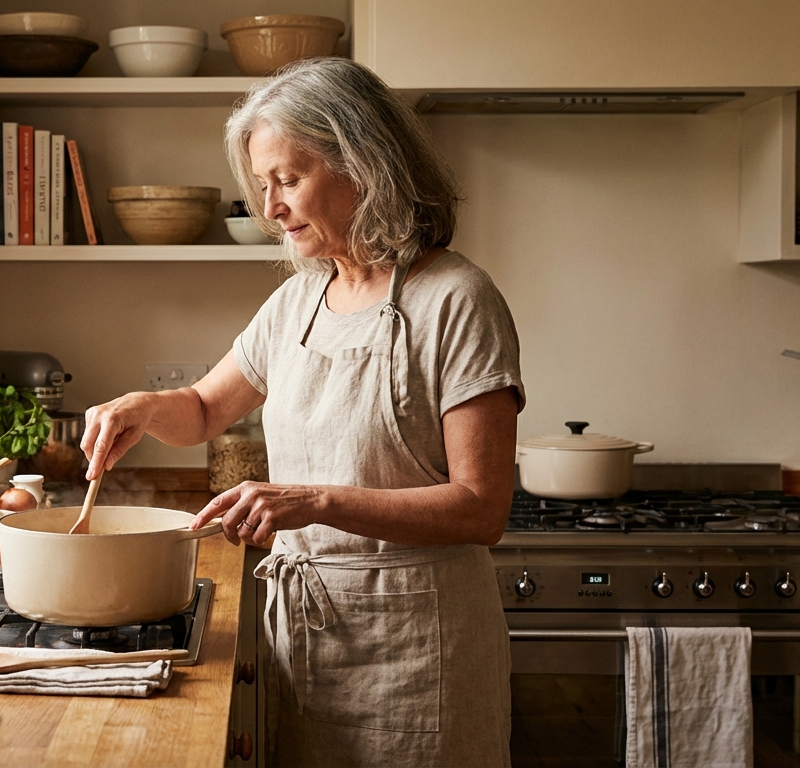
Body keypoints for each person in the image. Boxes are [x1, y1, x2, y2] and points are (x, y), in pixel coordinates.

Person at [81, 57, 523, 767]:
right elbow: (200, 410)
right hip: (306, 639)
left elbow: (481, 509)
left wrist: (313, 500)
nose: (270, 208)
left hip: (418, 652)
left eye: (288, 179)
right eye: (262, 184)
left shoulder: (456, 299)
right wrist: (143, 406)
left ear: (364, 164)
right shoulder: (298, 301)